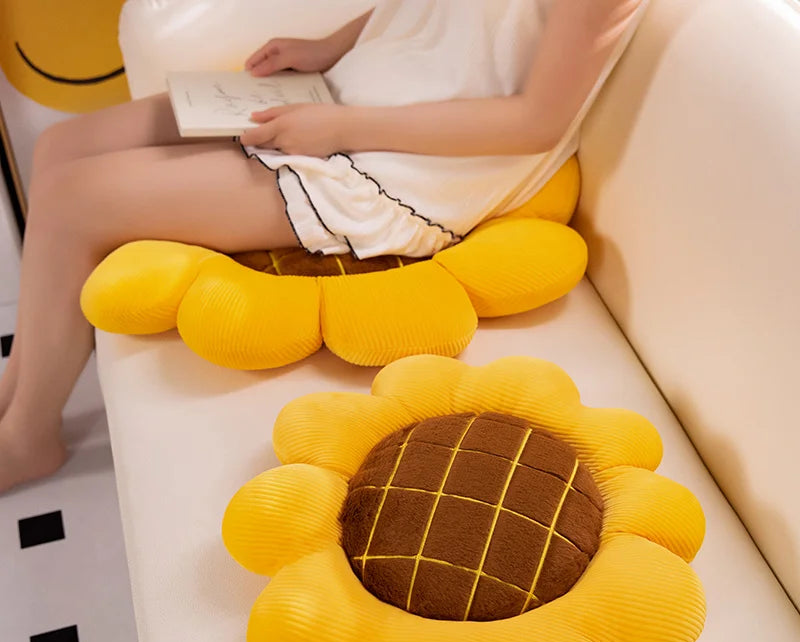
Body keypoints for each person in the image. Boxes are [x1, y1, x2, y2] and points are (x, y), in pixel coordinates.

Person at [0, 0, 647, 492]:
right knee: (60, 149)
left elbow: (536, 122)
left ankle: (29, 435)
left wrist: (341, 127)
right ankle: (16, 393)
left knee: (74, 201)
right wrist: (330, 48)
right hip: (354, 94)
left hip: (413, 161)